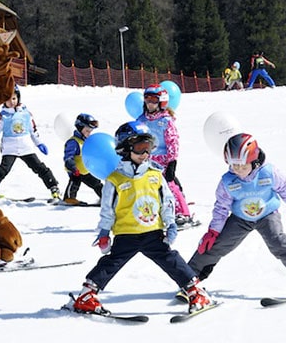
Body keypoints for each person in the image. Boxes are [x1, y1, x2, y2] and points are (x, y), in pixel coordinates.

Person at [69, 121, 213, 315]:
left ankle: (195, 291)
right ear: (125, 149)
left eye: (149, 148)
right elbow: (107, 210)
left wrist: (170, 223)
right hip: (126, 233)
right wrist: (104, 232)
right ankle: (87, 295)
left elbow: (167, 201)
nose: (145, 154)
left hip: (153, 232)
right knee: (111, 263)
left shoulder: (155, 175)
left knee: (171, 260)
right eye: (140, 148)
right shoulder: (115, 180)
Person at [187, 133, 286, 297]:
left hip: (267, 215)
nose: (239, 170)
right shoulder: (228, 181)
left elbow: (284, 186)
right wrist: (213, 231)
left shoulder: (268, 173)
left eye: (243, 165)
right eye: (234, 165)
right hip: (240, 218)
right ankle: (189, 278)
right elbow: (221, 208)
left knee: (278, 242)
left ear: (254, 161)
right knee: (215, 245)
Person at [0, 85, 60, 202]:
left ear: (18, 98)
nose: (11, 102)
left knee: (39, 167)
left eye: (14, 98)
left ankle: (53, 187)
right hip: (10, 148)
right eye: (8, 99)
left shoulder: (26, 114)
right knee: (3, 170)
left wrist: (39, 144)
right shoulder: (2, 116)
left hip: (26, 147)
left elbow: (33, 131)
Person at [136, 84, 193, 227]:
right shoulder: (141, 120)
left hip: (163, 160)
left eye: (154, 100)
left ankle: (183, 213)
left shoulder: (166, 121)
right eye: (147, 99)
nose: (150, 103)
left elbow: (172, 142)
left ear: (161, 102)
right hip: (145, 159)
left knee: (169, 185)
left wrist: (172, 162)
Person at [62, 113, 103, 205]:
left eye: (90, 131)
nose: (89, 133)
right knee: (75, 182)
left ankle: (105, 197)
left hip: (85, 170)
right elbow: (68, 156)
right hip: (75, 170)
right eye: (87, 130)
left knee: (96, 183)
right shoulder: (73, 142)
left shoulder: (87, 141)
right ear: (80, 128)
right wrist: (73, 167)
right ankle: (69, 198)